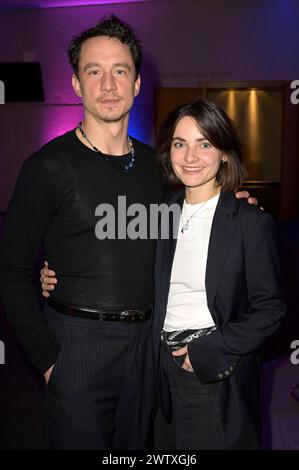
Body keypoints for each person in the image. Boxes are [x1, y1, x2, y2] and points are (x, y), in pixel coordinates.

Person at [0, 15, 257, 450]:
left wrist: (234, 206)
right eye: (93, 72)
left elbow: (186, 224)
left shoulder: (158, 167)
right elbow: (11, 271)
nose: (108, 84)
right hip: (77, 345)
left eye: (120, 71)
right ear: (77, 85)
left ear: (136, 83)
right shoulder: (46, 167)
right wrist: (46, 359)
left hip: (147, 345)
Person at [151, 98, 286, 450]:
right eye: (180, 144)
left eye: (205, 143)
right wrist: (55, 273)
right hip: (156, 370)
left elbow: (270, 309)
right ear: (169, 152)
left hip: (210, 370)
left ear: (224, 152)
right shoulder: (157, 214)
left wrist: (207, 352)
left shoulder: (250, 222)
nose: (190, 157)